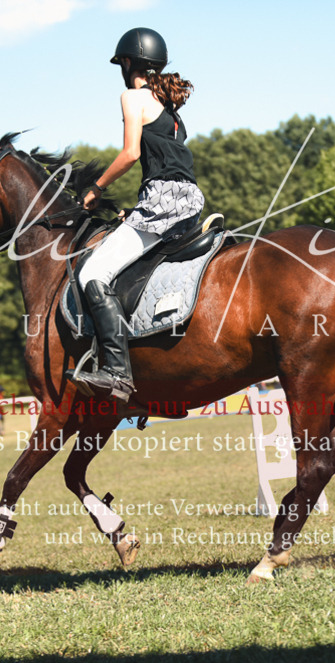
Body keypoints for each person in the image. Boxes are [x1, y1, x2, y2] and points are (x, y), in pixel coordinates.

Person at [67, 27, 205, 403]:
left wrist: (95, 189)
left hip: (162, 202)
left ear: (128, 63)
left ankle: (116, 373)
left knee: (92, 271)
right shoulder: (171, 112)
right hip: (188, 201)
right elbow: (167, 165)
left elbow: (130, 154)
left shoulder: (132, 96)